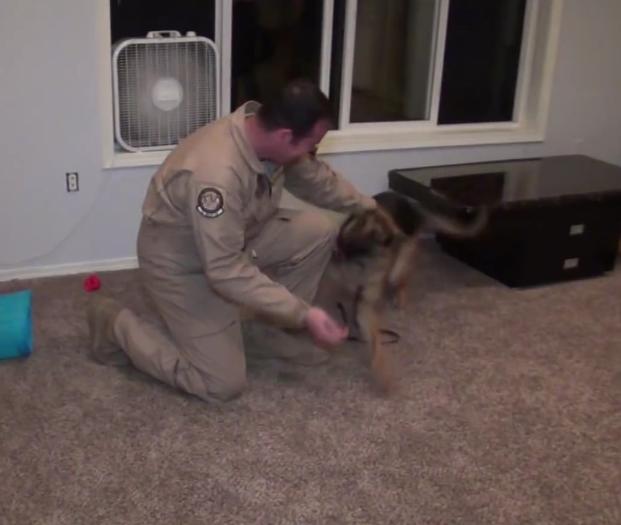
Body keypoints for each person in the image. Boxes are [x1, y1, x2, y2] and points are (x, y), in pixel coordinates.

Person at [87, 79, 376, 402]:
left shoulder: (266, 137)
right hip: (182, 264)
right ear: (285, 137)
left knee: (318, 230)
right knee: (221, 383)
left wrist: (373, 211)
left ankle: (263, 333)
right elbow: (223, 270)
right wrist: (302, 313)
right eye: (310, 144)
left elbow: (316, 180)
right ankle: (114, 323)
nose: (310, 153)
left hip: (238, 237)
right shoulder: (216, 175)